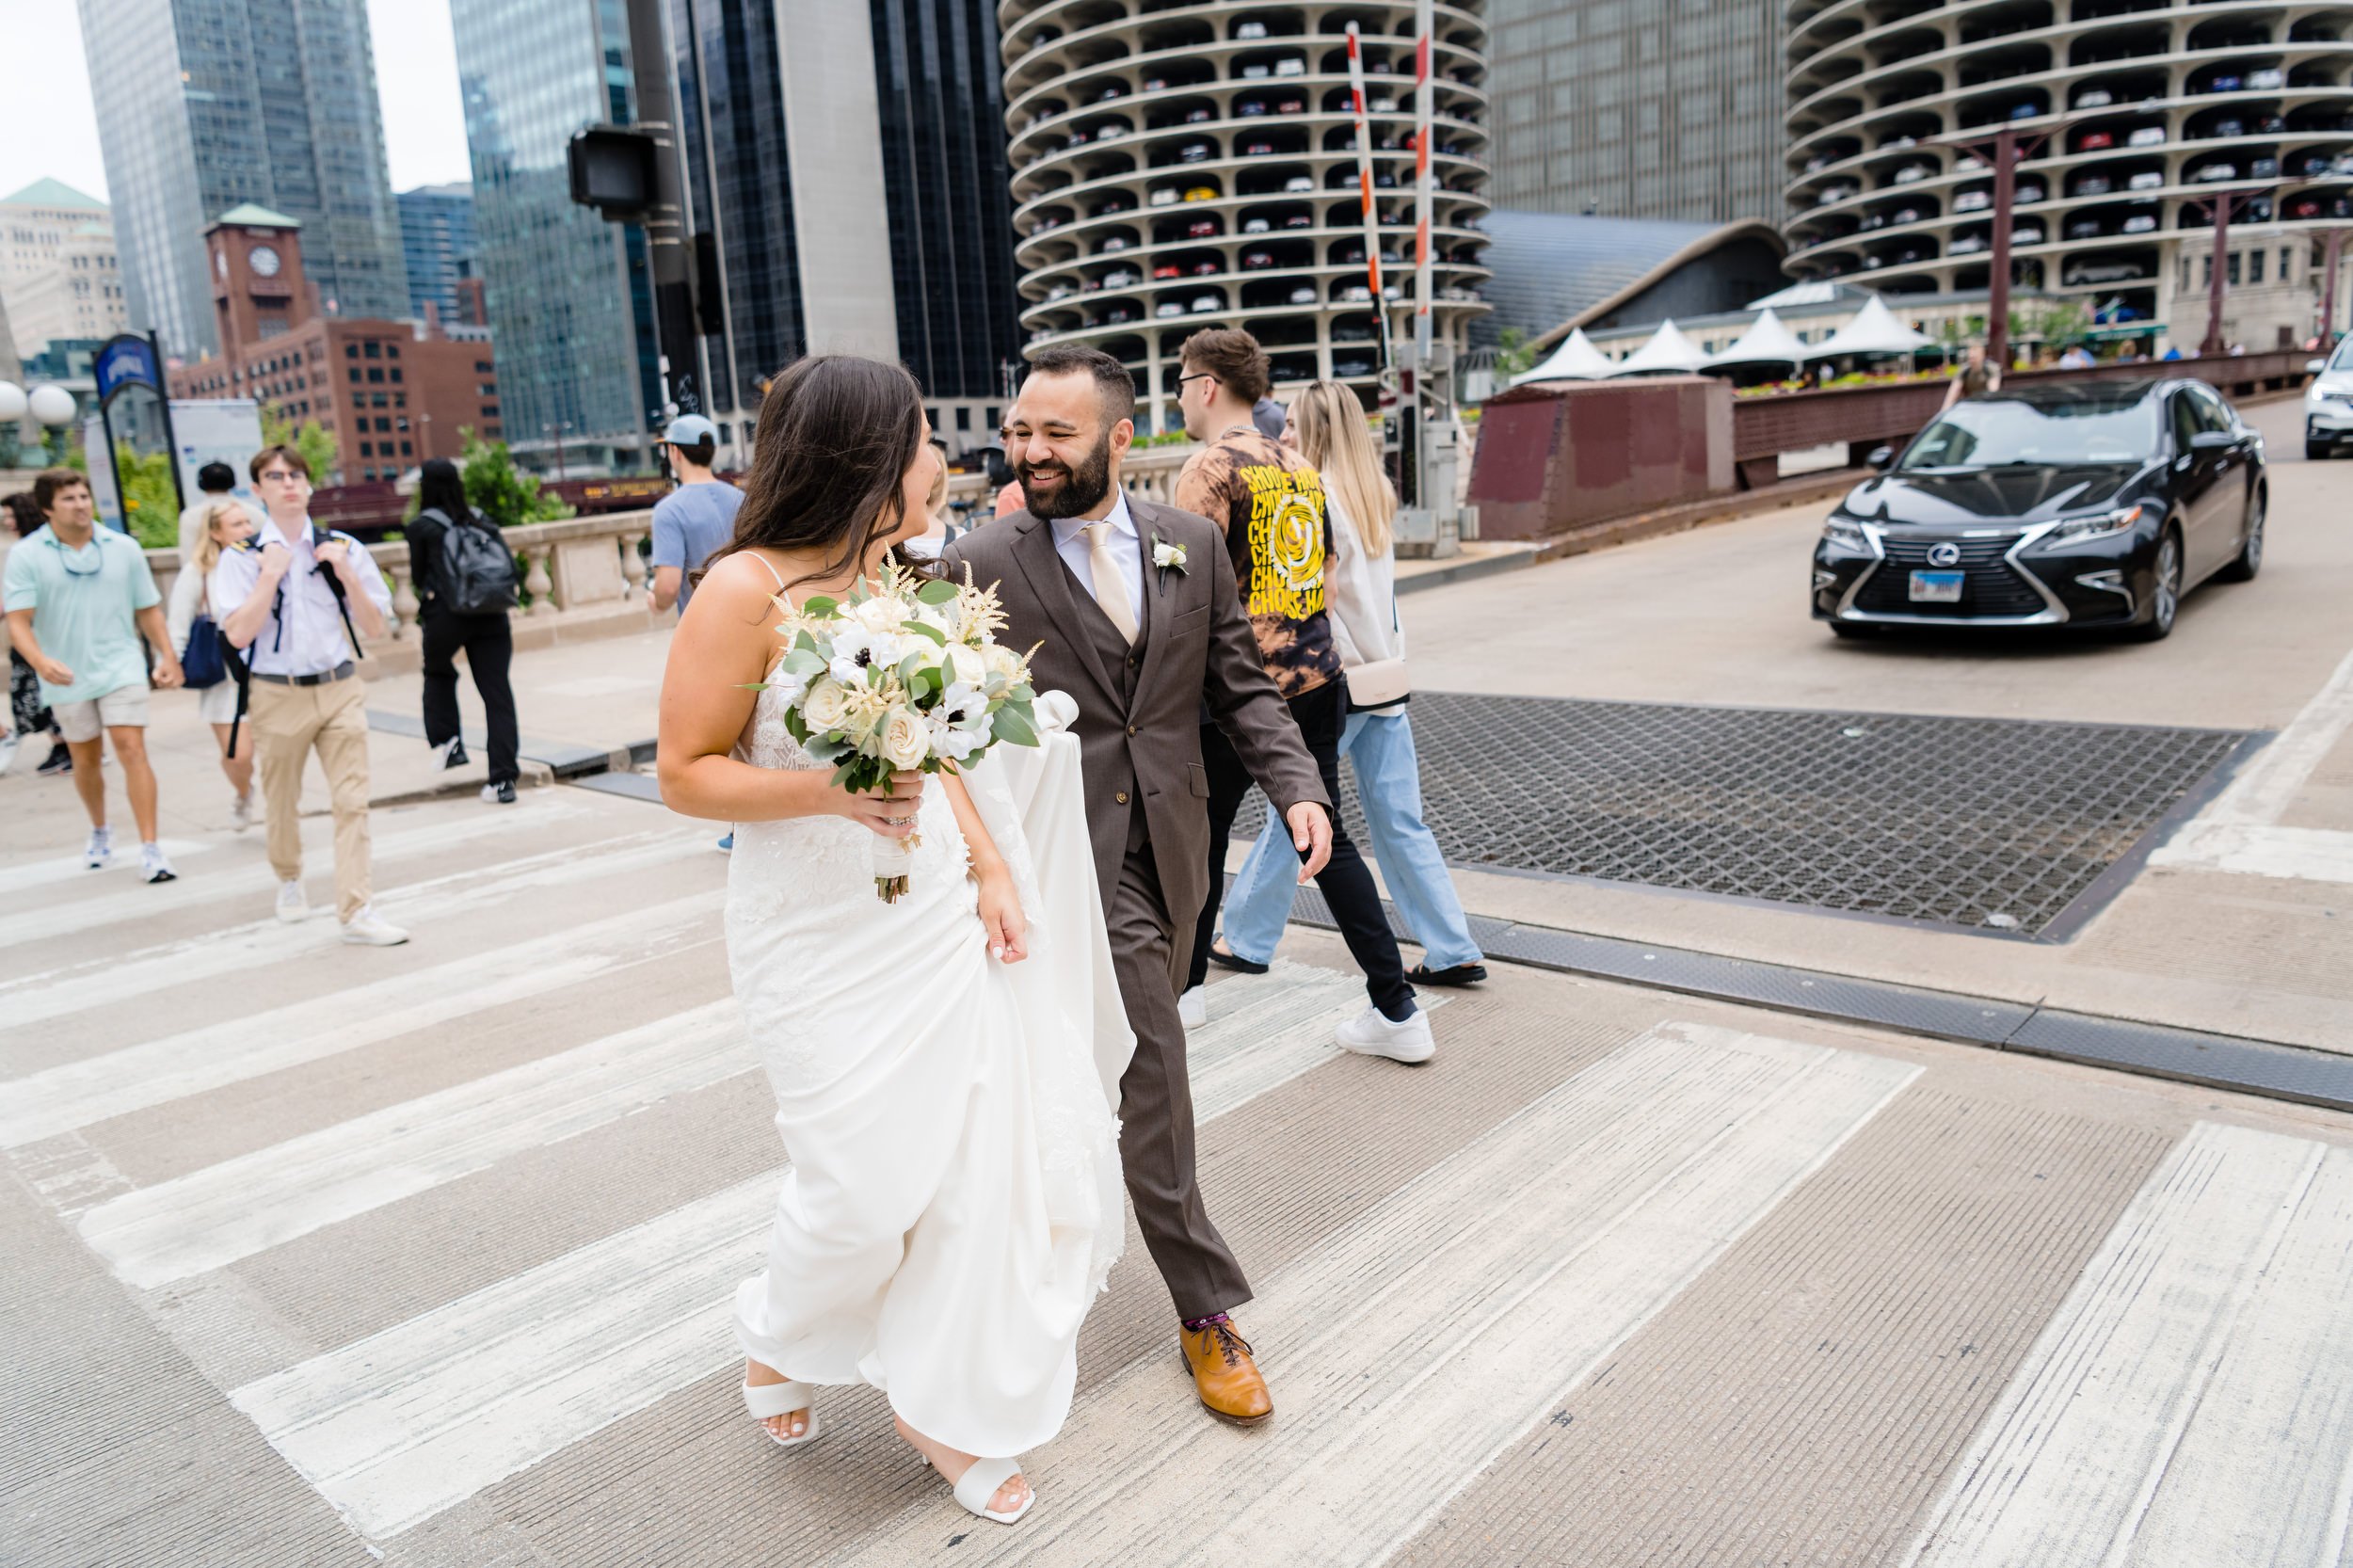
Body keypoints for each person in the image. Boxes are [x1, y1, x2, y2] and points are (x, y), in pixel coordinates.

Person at [656, 355, 1122, 1528]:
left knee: (971, 1169)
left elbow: (946, 749)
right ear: (859, 455)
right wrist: (827, 792)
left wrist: (996, 870)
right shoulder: (741, 592)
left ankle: (944, 1405)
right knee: (860, 1182)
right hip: (811, 929)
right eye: (920, 437)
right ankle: (778, 1334)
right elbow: (683, 774)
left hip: (932, 913)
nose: (940, 459)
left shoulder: (897, 581)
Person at [948, 344, 1338, 1429]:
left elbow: (1239, 687)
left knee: (1095, 1071)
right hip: (1053, 861)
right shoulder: (976, 560)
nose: (1028, 451)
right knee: (1152, 1070)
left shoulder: (1191, 544)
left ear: (1120, 439)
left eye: (1055, 434)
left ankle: (1032, 1263)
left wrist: (1296, 786)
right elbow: (949, 736)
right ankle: (1205, 1305)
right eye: (1022, 431)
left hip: (1172, 851)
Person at [1168, 328, 1433, 1063]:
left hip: (1236, 691)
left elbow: (1184, 593)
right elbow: (1325, 580)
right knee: (1325, 837)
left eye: (1183, 382)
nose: (1180, 396)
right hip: (1317, 677)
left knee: (1206, 836)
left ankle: (1185, 990)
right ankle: (1396, 1006)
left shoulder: (1211, 468)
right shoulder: (1300, 465)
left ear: (1209, 386)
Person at [1211, 382, 1487, 988]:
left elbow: (1317, 598)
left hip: (1338, 677)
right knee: (1400, 821)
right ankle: (1451, 944)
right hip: (1387, 673)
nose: (1281, 437)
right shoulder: (1375, 493)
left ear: (1313, 431)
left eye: (1290, 427)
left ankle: (1249, 936)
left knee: (1305, 813)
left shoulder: (1314, 495)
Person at [210, 445, 408, 946]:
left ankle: (356, 909)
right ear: (258, 490)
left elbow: (376, 628)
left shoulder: (342, 546)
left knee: (353, 801)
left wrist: (344, 573)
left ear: (309, 484)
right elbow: (236, 634)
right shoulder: (242, 558)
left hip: (339, 686)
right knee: (281, 799)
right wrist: (271, 574)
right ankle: (290, 877)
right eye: (275, 477)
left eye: (296, 474)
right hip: (277, 693)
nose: (288, 483)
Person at [2, 469, 184, 879]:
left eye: (84, 496)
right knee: (85, 759)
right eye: (69, 499)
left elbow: (148, 609)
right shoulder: (28, 555)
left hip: (121, 664)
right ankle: (100, 829)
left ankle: (151, 848)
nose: (81, 504)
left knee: (131, 747)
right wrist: (41, 661)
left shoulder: (123, 548)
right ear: (48, 507)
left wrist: (168, 655)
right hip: (65, 673)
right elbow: (18, 621)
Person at [405, 457, 521, 804]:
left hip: (447, 617)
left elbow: (418, 577)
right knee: (497, 694)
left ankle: (449, 741)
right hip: (491, 614)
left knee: (438, 671)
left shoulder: (422, 527)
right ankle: (503, 781)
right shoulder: (481, 519)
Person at [167, 500, 259, 828]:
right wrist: (172, 662)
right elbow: (179, 620)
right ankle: (243, 791)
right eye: (237, 524)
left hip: (266, 671)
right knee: (237, 753)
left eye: (248, 522)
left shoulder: (263, 562)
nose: (247, 530)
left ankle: (277, 805)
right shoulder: (200, 571)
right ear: (216, 533)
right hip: (226, 678)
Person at [3, 491, 71, 777]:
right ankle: (63, 745)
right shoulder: (23, 550)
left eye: (10, 515)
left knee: (47, 693)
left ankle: (69, 746)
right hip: (27, 638)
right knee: (33, 695)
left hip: (45, 636)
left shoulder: (41, 549)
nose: (7, 522)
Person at [648, 413, 743, 616]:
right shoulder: (741, 499)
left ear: (675, 451)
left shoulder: (669, 510)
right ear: (713, 451)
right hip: (747, 617)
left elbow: (667, 587)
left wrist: (656, 602)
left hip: (701, 627)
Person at [177, 459, 262, 559]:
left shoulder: (190, 516)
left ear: (201, 483)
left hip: (206, 570)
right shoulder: (254, 512)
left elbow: (188, 553)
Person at [1941, 342, 2001, 410]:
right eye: (1970, 358)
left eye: (1975, 357)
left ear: (1982, 356)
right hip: (1971, 405)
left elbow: (1993, 392)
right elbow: (1953, 393)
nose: (1972, 360)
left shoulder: (1991, 369)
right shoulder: (1964, 370)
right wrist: (1944, 411)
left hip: (1987, 405)